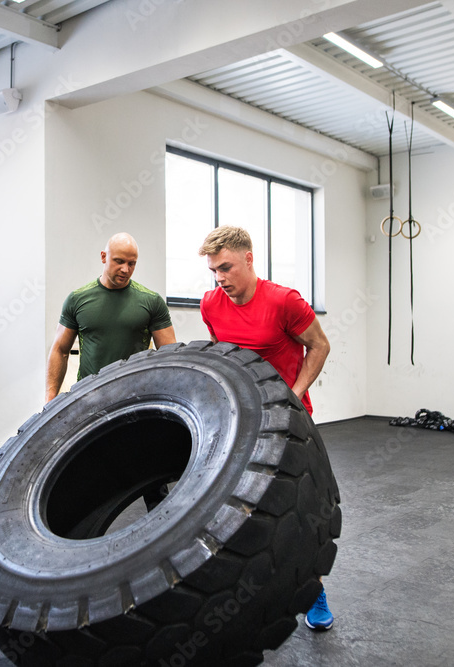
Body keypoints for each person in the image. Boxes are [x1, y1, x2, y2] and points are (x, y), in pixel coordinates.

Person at [197, 224, 334, 631]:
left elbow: (320, 345)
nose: (220, 279)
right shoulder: (210, 304)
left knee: (296, 513)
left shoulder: (284, 302)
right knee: (238, 516)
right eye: (214, 271)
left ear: (249, 259)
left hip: (291, 421)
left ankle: (314, 590)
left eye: (226, 268)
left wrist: (294, 393)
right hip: (242, 423)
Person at [45, 232, 177, 403]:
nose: (125, 269)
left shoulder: (151, 301)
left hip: (134, 399)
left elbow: (169, 356)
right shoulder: (77, 299)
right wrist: (50, 399)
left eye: (132, 264)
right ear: (103, 257)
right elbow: (60, 350)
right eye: (119, 261)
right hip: (87, 398)